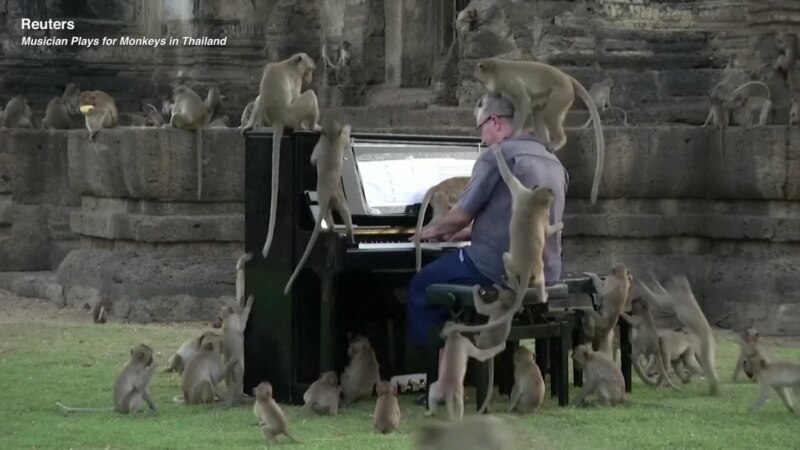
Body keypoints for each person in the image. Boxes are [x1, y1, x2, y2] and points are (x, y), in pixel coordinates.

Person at [406, 93, 569, 349]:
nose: (481, 136)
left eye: (480, 127)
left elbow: (460, 215)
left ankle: (429, 373)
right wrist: (467, 233)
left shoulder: (498, 155)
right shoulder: (554, 161)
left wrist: (431, 231)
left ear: (495, 121)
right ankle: (470, 366)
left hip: (497, 271)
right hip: (547, 274)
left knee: (421, 285)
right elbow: (519, 222)